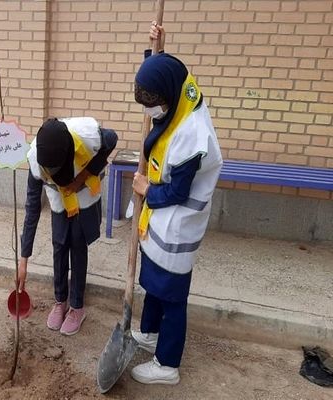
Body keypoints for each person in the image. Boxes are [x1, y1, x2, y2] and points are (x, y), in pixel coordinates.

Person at [129, 22, 223, 384]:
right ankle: (149, 333)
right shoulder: (179, 86)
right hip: (162, 216)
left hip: (179, 219)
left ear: (165, 98)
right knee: (154, 279)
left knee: (171, 294)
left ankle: (166, 364)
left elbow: (178, 192)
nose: (153, 113)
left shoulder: (192, 136)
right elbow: (162, 73)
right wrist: (157, 48)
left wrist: (146, 190)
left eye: (154, 107)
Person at [17, 117, 118, 336]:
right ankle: (60, 301)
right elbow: (32, 208)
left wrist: (82, 176)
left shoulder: (89, 136)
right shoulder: (36, 158)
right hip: (59, 200)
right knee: (60, 245)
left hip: (82, 196)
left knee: (77, 245)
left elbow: (113, 139)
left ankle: (77, 307)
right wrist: (23, 261)